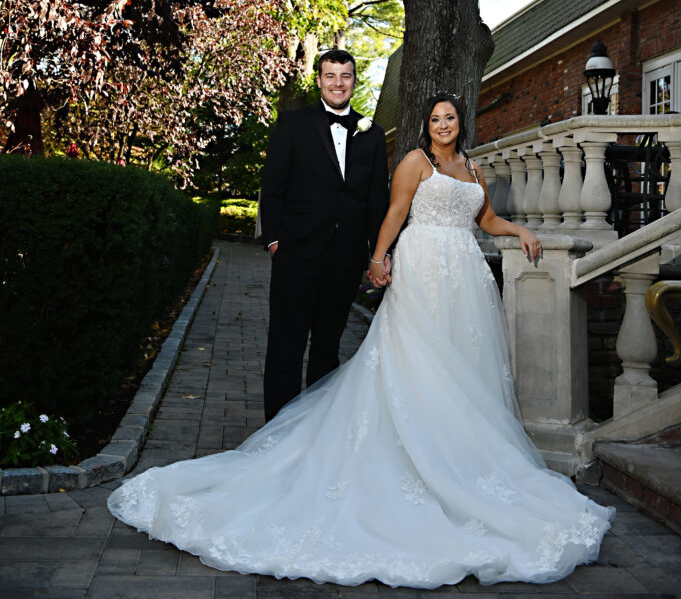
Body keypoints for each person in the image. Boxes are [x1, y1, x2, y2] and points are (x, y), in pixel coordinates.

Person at [108, 91, 614, 589]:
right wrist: (378, 259)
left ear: (462, 123)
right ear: (427, 124)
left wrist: (520, 231)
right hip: (424, 272)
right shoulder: (416, 162)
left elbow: (483, 219)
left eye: (451, 118)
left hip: (465, 277)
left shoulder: (473, 167)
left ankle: (456, 459)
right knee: (415, 361)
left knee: (461, 369)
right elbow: (395, 212)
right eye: (436, 118)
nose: (444, 125)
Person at [259, 48, 389, 420]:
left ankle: (315, 431)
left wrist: (378, 251)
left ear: (354, 80)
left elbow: (376, 199)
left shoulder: (373, 134)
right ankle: (277, 432)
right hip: (295, 252)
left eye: (345, 76)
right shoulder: (292, 123)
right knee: (286, 345)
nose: (337, 83)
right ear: (319, 80)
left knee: (327, 348)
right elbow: (273, 187)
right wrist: (274, 240)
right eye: (330, 76)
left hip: (345, 257)